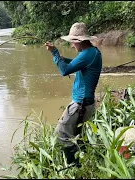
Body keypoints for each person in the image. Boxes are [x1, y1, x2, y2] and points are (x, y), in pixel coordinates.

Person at [44, 22, 103, 166]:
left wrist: (55, 53)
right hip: (85, 104)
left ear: (79, 41)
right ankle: (81, 164)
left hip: (80, 105)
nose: (71, 45)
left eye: (72, 42)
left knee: (62, 135)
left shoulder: (88, 54)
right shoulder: (92, 52)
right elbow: (77, 65)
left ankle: (73, 167)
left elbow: (65, 71)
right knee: (77, 136)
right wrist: (65, 60)